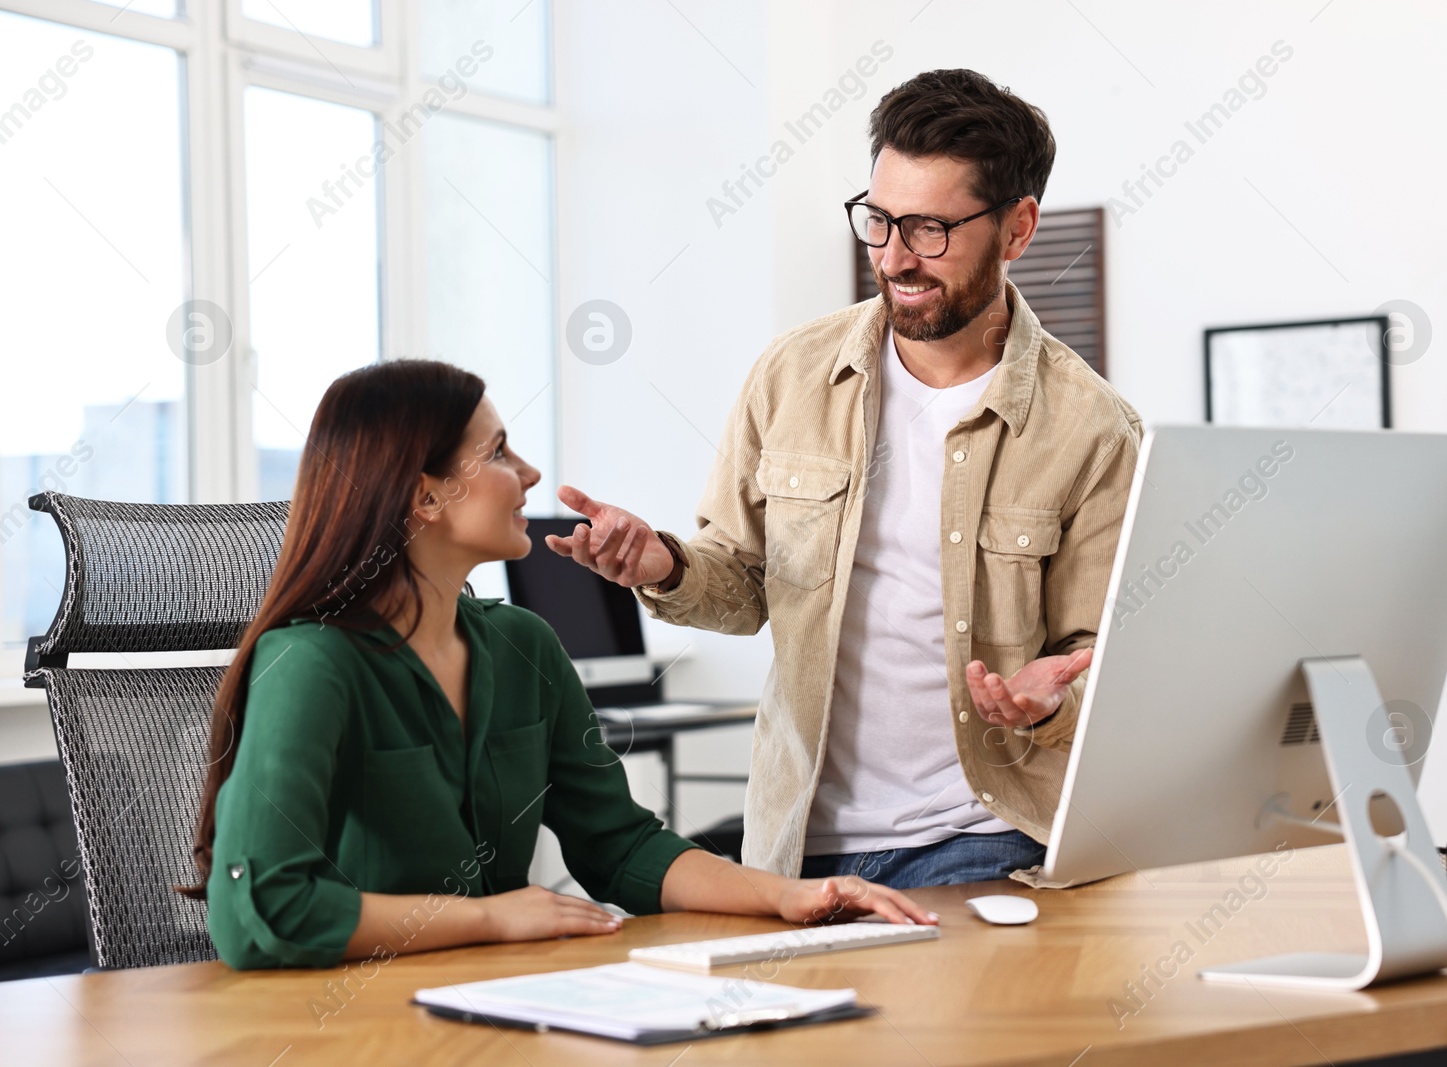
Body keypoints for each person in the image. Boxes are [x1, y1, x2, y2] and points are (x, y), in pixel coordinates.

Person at [548, 69, 1145, 890]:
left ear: (1018, 229)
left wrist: (1054, 699)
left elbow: (1102, 656)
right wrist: (663, 564)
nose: (895, 257)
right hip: (797, 839)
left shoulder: (1092, 427)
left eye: (931, 229)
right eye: (880, 220)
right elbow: (744, 581)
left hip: (983, 833)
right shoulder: (791, 375)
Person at [180, 359, 935, 970]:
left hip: (492, 1000)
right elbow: (261, 911)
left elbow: (620, 846)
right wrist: (487, 918)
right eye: (500, 451)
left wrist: (783, 897)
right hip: (346, 1027)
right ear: (425, 495)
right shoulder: (312, 664)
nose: (532, 472)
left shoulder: (522, 646)